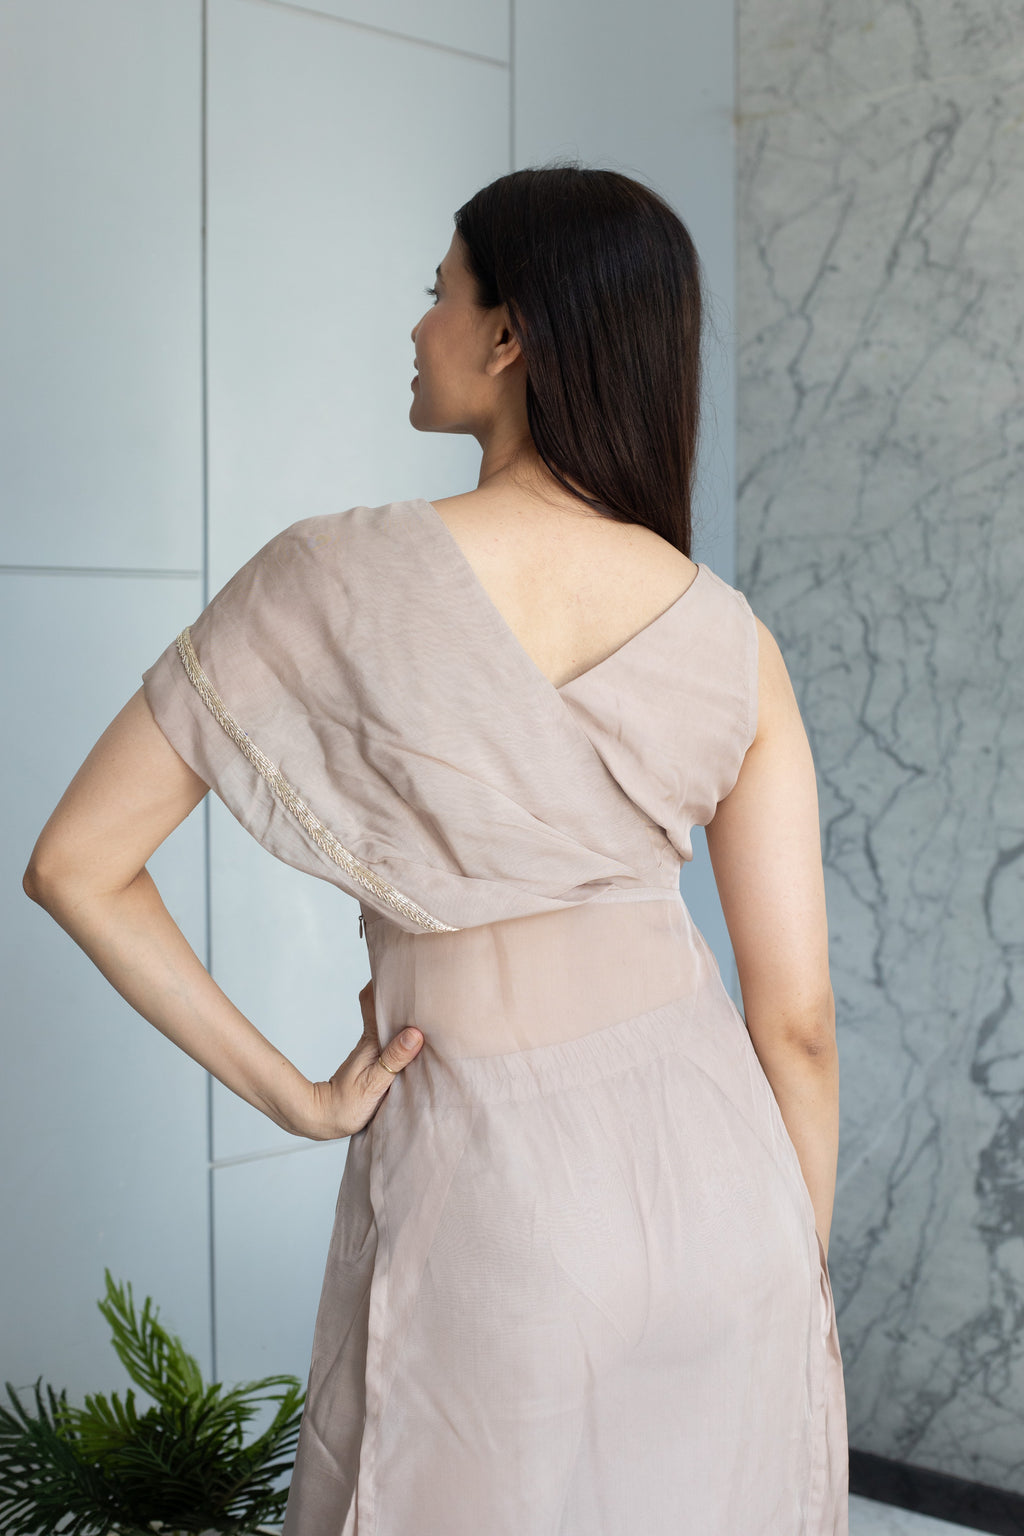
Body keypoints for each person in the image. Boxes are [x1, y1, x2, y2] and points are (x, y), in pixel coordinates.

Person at [23, 164, 848, 1534]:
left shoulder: (332, 573)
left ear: (509, 334)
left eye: (437, 293)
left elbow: (75, 863)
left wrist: (297, 1094)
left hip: (496, 1195)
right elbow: (800, 1022)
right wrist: (789, 1266)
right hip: (730, 1195)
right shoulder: (733, 637)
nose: (417, 327)